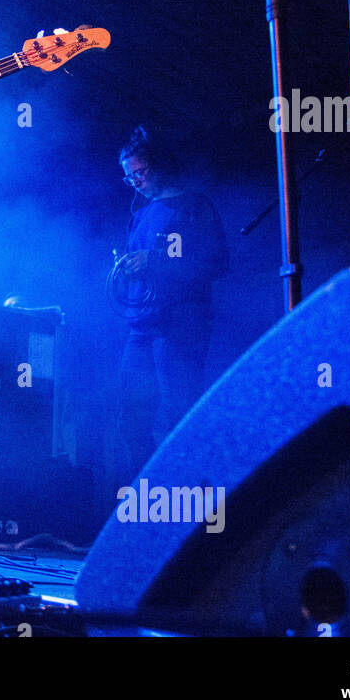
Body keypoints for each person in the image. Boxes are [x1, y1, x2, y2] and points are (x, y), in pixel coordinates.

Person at [114, 127, 228, 475]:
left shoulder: (194, 205)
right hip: (142, 327)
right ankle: (148, 494)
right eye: (128, 176)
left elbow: (218, 262)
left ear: (158, 165)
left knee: (177, 410)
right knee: (131, 413)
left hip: (180, 325)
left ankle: (189, 491)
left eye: (139, 172)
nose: (134, 181)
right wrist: (130, 268)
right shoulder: (141, 215)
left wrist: (157, 260)